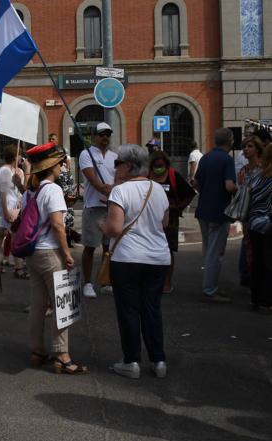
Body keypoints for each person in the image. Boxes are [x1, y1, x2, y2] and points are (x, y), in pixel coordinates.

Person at [101, 145, 170, 379]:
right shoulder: (158, 189)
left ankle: (131, 361)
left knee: (129, 310)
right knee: (152, 308)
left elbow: (114, 228)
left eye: (117, 163)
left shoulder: (120, 192)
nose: (115, 167)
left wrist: (102, 225)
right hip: (158, 257)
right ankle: (158, 360)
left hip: (127, 257)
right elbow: (165, 223)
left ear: (129, 166)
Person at [23, 142, 88, 375]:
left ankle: (37, 350)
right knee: (63, 304)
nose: (62, 167)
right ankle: (62, 354)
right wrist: (67, 254)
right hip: (50, 251)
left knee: (38, 304)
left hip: (32, 253)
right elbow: (58, 225)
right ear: (52, 166)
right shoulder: (53, 190)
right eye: (60, 163)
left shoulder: (31, 191)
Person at [193, 128, 238, 303]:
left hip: (203, 210)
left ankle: (210, 285)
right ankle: (210, 290)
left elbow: (196, 183)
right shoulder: (227, 160)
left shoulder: (206, 157)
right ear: (230, 141)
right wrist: (239, 190)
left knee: (208, 251)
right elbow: (229, 186)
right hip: (219, 212)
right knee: (215, 253)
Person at [78, 122, 118, 298]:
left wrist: (114, 191)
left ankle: (105, 280)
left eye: (108, 134)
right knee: (90, 246)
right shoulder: (86, 154)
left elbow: (120, 178)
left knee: (108, 247)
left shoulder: (115, 156)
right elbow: (93, 180)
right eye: (101, 134)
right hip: (93, 207)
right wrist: (106, 189)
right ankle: (87, 283)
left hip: (111, 207)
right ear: (94, 136)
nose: (105, 138)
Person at [148, 150, 195, 293]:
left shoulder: (174, 176)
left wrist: (179, 207)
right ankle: (152, 281)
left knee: (168, 251)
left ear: (166, 165)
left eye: (161, 165)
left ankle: (167, 282)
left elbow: (190, 194)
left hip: (171, 220)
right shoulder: (147, 177)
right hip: (150, 220)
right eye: (155, 166)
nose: (158, 168)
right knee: (150, 250)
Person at [0, 143, 28, 279]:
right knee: (15, 234)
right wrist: (6, 211)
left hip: (17, 207)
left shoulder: (19, 171)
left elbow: (24, 189)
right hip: (8, 207)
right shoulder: (5, 171)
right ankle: (18, 267)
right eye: (19, 155)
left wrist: (25, 171)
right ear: (14, 156)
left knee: (2, 234)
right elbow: (3, 193)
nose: (21, 157)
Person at [247, 142, 272, 313]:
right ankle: (266, 299)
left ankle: (256, 298)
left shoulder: (257, 175)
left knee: (257, 261)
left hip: (254, 222)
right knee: (269, 263)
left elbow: (249, 194)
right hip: (269, 224)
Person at [236, 135, 263, 286]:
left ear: (258, 149)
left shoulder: (264, 168)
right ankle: (249, 277)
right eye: (244, 147)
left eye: (250, 146)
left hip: (262, 213)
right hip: (247, 213)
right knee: (248, 245)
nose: (246, 149)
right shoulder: (243, 171)